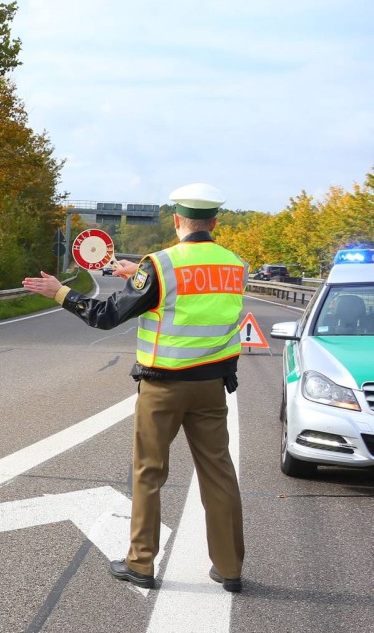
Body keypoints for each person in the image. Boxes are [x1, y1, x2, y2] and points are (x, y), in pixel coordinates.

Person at [21, 183, 246, 593]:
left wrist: (61, 293)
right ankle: (230, 567)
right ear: (214, 222)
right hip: (212, 386)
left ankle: (141, 563)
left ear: (177, 220)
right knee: (219, 475)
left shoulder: (159, 265)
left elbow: (106, 316)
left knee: (148, 473)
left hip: (164, 387)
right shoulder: (235, 265)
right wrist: (135, 276)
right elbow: (198, 304)